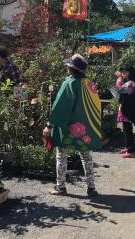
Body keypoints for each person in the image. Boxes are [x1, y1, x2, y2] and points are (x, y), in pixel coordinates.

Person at [43, 54, 101, 197]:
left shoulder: (69, 83)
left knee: (61, 156)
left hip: (67, 127)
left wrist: (49, 126)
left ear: (71, 68)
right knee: (86, 157)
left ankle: (60, 187)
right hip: (84, 128)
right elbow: (96, 105)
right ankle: (91, 188)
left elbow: (60, 107)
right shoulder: (89, 84)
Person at [115, 65, 135, 158]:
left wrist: (119, 79)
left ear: (130, 73)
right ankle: (128, 147)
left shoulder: (131, 83)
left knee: (128, 130)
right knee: (126, 129)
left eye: (124, 72)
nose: (122, 73)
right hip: (126, 108)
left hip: (129, 110)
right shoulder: (129, 81)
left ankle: (131, 150)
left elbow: (120, 89)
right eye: (122, 72)